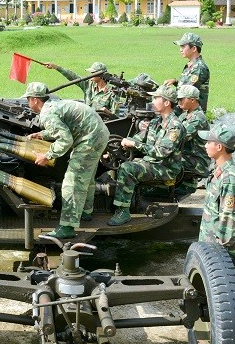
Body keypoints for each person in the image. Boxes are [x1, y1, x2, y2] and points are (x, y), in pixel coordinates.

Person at [22, 82, 110, 239]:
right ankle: (86, 211)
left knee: (72, 182)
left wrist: (47, 156)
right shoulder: (54, 104)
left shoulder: (47, 113)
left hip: (89, 140)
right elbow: (63, 127)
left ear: (35, 100)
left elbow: (65, 140)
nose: (28, 103)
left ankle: (68, 227)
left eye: (28, 99)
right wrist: (42, 134)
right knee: (87, 177)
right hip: (99, 135)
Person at [108, 84, 183, 226]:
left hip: (165, 167)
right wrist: (119, 146)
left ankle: (123, 211)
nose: (152, 102)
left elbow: (162, 152)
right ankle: (123, 203)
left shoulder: (175, 126)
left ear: (167, 102)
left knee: (127, 168)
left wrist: (135, 145)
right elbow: (139, 138)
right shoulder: (156, 121)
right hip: (151, 163)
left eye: (156, 98)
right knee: (119, 163)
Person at [197, 124, 235, 275]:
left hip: (222, 257)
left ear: (219, 147)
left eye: (208, 142)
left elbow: (230, 220)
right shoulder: (219, 171)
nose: (205, 145)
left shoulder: (230, 179)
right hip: (212, 251)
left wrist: (218, 254)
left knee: (225, 295)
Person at [44, 61, 119, 116]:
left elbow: (116, 117)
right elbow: (73, 76)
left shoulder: (112, 92)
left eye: (93, 73)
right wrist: (56, 67)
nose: (90, 75)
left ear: (100, 75)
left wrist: (106, 112)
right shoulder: (88, 85)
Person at [175, 84, 210, 196]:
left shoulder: (197, 118)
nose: (178, 102)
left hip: (195, 161)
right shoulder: (185, 115)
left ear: (193, 100)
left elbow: (179, 137)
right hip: (186, 156)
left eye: (181, 99)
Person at [164, 32, 210, 112]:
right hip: (185, 111)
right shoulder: (192, 65)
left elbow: (185, 91)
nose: (180, 50)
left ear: (194, 49)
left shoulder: (199, 67)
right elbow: (187, 84)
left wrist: (165, 95)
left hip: (192, 115)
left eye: (183, 46)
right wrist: (175, 81)